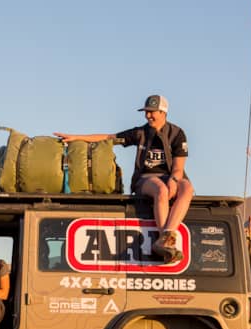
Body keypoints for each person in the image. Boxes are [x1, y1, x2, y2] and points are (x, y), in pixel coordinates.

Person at [55, 94, 194, 262]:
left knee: (187, 188)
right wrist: (76, 137)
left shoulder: (177, 134)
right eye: (146, 112)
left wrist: (174, 180)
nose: (147, 115)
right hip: (146, 178)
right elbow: (108, 138)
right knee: (161, 190)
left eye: (151, 112)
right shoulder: (139, 133)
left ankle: (165, 238)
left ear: (163, 112)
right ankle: (165, 239)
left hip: (171, 176)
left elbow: (179, 168)